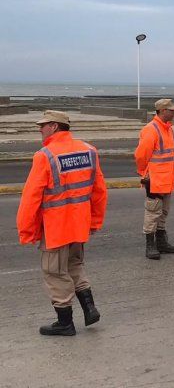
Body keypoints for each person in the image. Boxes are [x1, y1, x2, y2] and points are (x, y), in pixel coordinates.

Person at [16, 110, 107, 336]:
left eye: (43, 125)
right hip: (80, 224)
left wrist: (26, 231)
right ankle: (89, 308)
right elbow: (99, 192)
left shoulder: (44, 156)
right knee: (74, 265)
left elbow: (31, 198)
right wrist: (95, 221)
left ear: (55, 126)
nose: (40, 129)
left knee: (54, 272)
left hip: (56, 228)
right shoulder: (89, 151)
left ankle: (65, 323)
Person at [135, 99, 174, 260]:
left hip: (166, 179)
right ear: (162, 111)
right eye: (171, 110)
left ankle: (161, 243)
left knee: (163, 212)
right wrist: (144, 173)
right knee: (153, 212)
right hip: (155, 180)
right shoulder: (151, 129)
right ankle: (150, 245)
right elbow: (141, 156)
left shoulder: (167, 128)